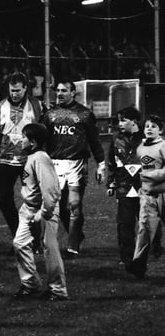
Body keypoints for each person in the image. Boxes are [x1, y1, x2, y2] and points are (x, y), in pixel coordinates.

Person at [41, 81, 105, 255]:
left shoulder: (84, 114)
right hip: (54, 164)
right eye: (58, 91)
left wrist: (101, 164)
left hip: (77, 164)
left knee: (75, 204)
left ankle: (73, 247)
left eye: (64, 91)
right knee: (61, 207)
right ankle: (76, 234)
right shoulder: (49, 114)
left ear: (73, 93)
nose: (59, 94)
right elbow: (41, 139)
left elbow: (94, 140)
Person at [12, 123, 68, 301]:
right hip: (28, 209)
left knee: (49, 249)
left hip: (44, 210)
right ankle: (30, 284)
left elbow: (51, 190)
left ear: (33, 142)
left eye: (24, 137)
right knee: (20, 244)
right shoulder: (31, 156)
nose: (21, 140)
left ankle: (58, 290)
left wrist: (43, 213)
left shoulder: (40, 158)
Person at [0, 72, 44, 244]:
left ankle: (35, 240)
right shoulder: (0, 107)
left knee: (33, 200)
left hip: (29, 160)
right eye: (12, 90)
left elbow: (43, 131)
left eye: (18, 90)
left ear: (26, 88)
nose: (14, 94)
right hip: (6, 159)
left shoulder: (37, 106)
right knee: (3, 197)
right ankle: (18, 235)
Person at [105, 107, 144, 267]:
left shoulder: (146, 138)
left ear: (134, 121)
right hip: (124, 187)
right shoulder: (116, 140)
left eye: (123, 120)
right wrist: (111, 183)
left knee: (146, 223)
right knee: (124, 224)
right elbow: (112, 163)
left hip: (145, 188)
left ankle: (153, 249)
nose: (119, 124)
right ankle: (126, 256)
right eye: (118, 120)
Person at [128, 115, 165, 278]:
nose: (149, 128)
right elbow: (135, 169)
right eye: (147, 126)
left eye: (154, 126)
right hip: (148, 195)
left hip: (163, 193)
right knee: (145, 228)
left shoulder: (163, 146)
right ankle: (138, 265)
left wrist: (150, 175)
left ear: (161, 130)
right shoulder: (140, 148)